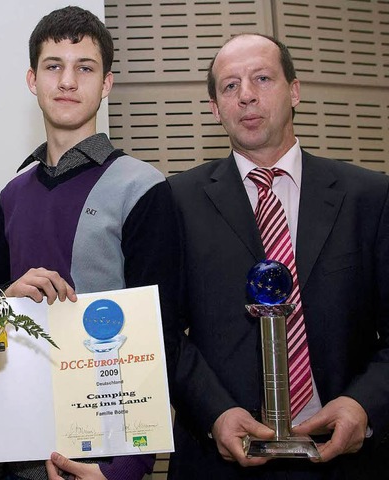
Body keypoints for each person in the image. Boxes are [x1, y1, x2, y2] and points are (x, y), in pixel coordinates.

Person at [165, 33, 389, 479]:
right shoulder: (175, 200)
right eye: (230, 86)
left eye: (262, 78)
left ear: (295, 90)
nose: (246, 95)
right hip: (219, 459)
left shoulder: (370, 196)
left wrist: (363, 404)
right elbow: (163, 331)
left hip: (346, 459)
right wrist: (215, 413)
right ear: (215, 108)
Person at [0, 6, 179, 480]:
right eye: (54, 66)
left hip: (100, 459)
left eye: (84, 68)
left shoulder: (143, 188)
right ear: (33, 79)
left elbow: (163, 336)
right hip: (8, 448)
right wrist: (2, 301)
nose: (67, 81)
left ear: (106, 83)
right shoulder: (11, 194)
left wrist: (125, 472)